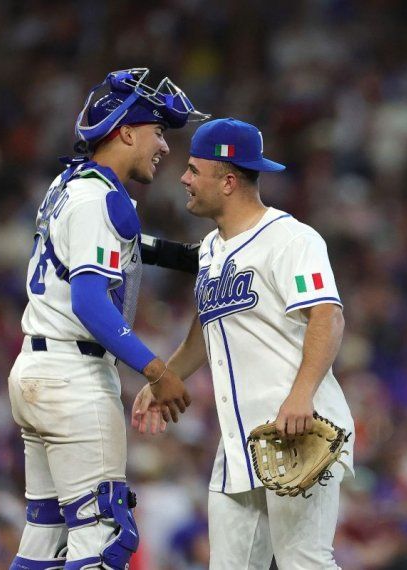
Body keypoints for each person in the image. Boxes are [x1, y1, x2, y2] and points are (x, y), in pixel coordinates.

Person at [132, 118, 355, 569]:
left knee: (303, 562)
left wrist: (301, 395)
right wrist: (165, 377)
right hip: (238, 443)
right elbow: (207, 328)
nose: (183, 178)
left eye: (195, 170)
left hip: (296, 428)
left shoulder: (291, 238)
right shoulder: (212, 249)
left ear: (229, 180)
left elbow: (328, 316)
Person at [7, 68, 204, 570]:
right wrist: (158, 370)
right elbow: (91, 302)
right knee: (104, 539)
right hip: (73, 379)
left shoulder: (71, 183)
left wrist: (196, 256)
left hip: (37, 371)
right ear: (127, 132)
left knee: (45, 539)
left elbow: (134, 249)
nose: (164, 145)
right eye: (158, 132)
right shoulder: (100, 199)